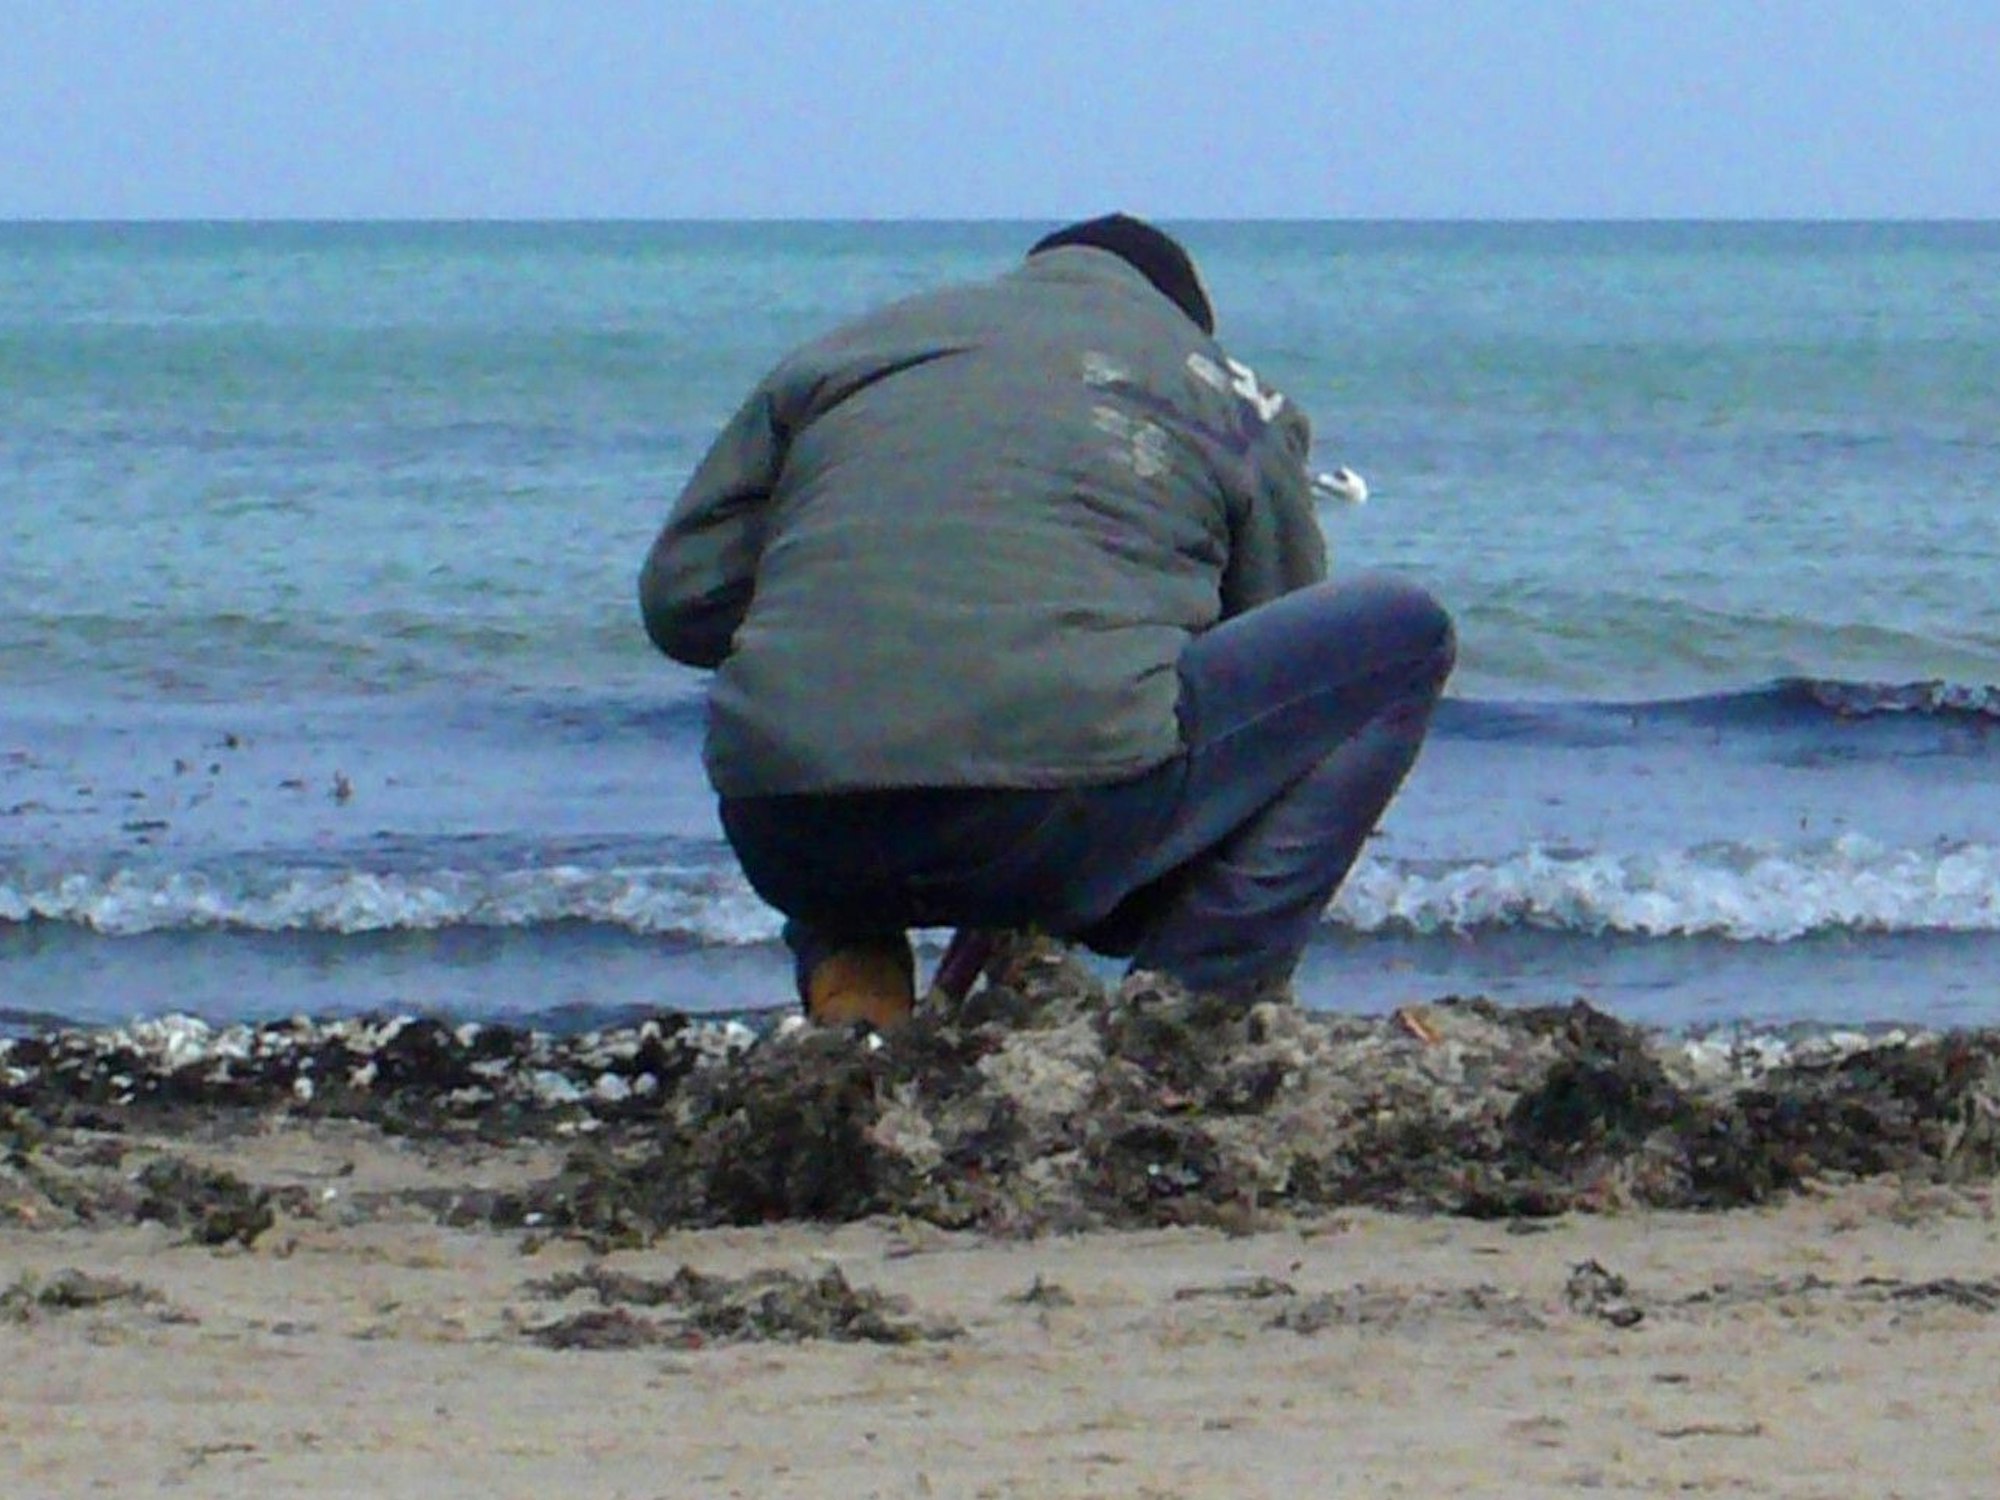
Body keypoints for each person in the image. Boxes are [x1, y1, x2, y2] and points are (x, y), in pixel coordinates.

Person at [640, 214, 1454, 1029]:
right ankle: (1190, 1004)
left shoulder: (847, 353)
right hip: (1054, 823)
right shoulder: (1231, 393)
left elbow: (682, 604)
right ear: (1181, 316)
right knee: (1407, 636)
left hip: (789, 838)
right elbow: (1279, 657)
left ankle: (855, 974)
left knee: (844, 654)